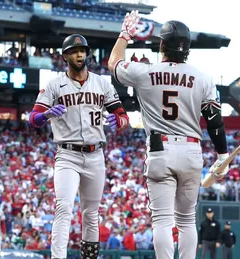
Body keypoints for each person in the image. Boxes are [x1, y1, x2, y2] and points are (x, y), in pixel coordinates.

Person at [107, 10, 229, 259]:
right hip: (191, 149)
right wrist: (223, 155)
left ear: (161, 44)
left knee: (162, 220)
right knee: (186, 220)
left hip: (160, 149)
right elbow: (214, 122)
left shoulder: (144, 72)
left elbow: (113, 64)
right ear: (188, 48)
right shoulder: (203, 78)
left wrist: (125, 35)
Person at [29, 33, 129, 259]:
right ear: (65, 56)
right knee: (63, 208)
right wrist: (44, 115)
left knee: (91, 214)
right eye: (74, 51)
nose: (79, 54)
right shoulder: (54, 85)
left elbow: (122, 115)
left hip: (96, 154)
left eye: (82, 50)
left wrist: (120, 122)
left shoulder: (101, 83)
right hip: (67, 154)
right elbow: (32, 118)